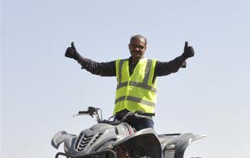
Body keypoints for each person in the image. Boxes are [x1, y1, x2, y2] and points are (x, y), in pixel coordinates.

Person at [65, 34, 195, 130]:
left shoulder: (152, 65)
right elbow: (97, 68)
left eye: (140, 47)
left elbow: (170, 66)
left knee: (152, 151)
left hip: (143, 119)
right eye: (134, 46)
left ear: (145, 48)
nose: (137, 49)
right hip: (120, 118)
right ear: (129, 46)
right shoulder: (119, 65)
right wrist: (77, 57)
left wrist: (183, 57)